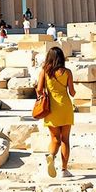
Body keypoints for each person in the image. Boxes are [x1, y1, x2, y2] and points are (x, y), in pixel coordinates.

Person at [36, 46, 76, 178]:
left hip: (51, 108)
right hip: (65, 107)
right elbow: (72, 92)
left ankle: (51, 156)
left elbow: (39, 89)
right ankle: (64, 170)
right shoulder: (67, 72)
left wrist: (46, 94)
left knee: (54, 139)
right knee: (65, 140)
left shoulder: (45, 72)